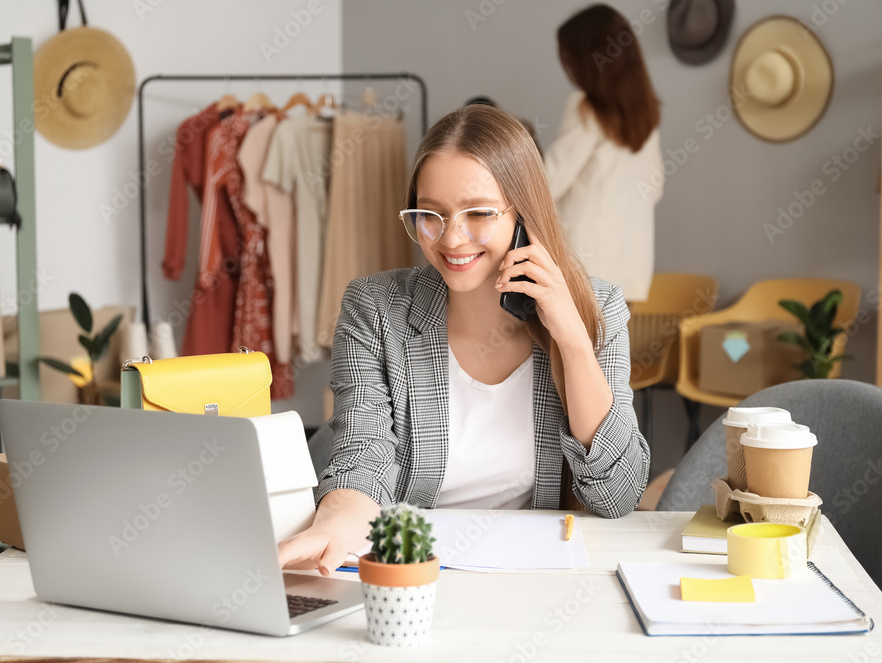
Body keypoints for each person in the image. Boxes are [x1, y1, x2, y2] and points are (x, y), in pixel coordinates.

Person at [277, 104, 650, 576]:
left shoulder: (598, 308)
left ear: (525, 216)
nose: (451, 239)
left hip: (528, 577)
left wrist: (572, 340)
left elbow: (618, 494)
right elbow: (362, 455)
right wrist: (336, 523)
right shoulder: (374, 307)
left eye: (477, 214)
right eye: (430, 214)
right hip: (415, 571)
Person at [545, 4, 663, 303]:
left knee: (569, 349)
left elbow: (547, 183)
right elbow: (654, 188)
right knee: (611, 351)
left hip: (585, 272)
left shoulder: (585, 109)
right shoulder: (645, 117)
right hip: (629, 273)